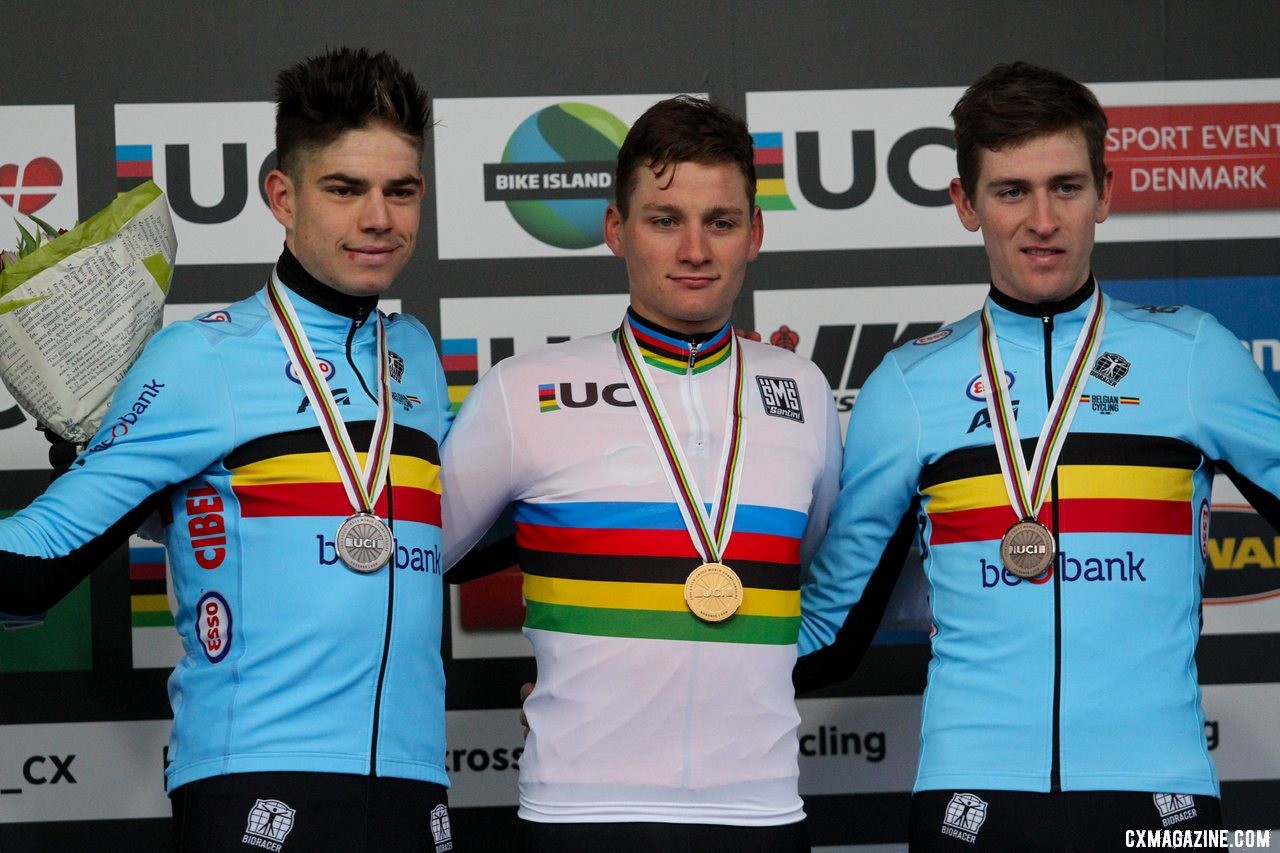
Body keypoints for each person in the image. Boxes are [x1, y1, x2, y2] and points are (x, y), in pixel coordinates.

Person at [793, 61, 1280, 850]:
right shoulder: (910, 386)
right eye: (1011, 191)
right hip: (973, 801)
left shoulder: (1193, 356)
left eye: (1067, 186)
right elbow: (831, 631)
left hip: (1161, 798)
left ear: (1106, 194)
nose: (1042, 219)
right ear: (965, 203)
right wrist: (631, 687)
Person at [0, 47, 456, 851]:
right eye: (345, 189)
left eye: (401, 189)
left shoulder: (414, 353)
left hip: (417, 785)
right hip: (259, 780)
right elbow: (35, 562)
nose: (379, 217)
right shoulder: (202, 359)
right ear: (282, 195)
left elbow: (467, 535)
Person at [441, 95, 841, 852]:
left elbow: (814, 570)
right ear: (616, 229)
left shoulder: (805, 393)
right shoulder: (523, 389)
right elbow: (421, 558)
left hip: (761, 811)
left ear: (754, 234)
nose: (695, 248)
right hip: (579, 814)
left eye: (720, 221)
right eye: (664, 220)